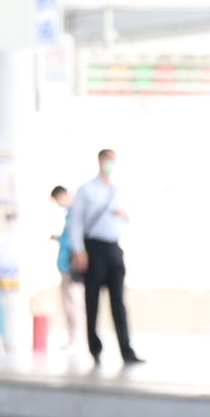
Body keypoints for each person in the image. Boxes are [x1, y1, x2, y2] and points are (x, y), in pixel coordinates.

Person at [70, 150, 143, 366]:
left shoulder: (118, 190)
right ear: (100, 161)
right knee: (92, 300)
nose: (110, 164)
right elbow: (77, 222)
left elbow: (129, 216)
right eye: (107, 160)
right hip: (93, 248)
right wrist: (79, 250)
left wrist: (123, 215)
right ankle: (95, 348)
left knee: (118, 301)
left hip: (114, 248)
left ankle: (126, 349)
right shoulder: (86, 190)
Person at [51, 186, 85, 351]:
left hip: (72, 266)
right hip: (66, 265)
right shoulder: (71, 215)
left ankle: (77, 339)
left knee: (74, 303)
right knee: (70, 303)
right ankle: (74, 338)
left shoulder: (77, 215)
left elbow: (73, 241)